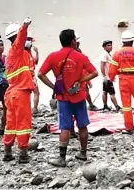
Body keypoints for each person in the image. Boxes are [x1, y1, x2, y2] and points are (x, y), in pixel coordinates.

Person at [38, 29, 98, 165]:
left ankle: (62, 158)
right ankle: (83, 153)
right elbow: (94, 72)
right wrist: (81, 80)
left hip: (63, 98)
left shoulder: (53, 56)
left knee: (65, 127)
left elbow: (40, 74)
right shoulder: (80, 56)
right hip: (79, 96)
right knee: (82, 126)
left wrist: (54, 87)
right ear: (73, 41)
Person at [2, 17, 35, 163]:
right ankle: (23, 153)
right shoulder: (16, 50)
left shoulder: (19, 55)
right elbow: (20, 40)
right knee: (23, 124)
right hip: (20, 93)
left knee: (11, 124)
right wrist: (24, 26)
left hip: (11, 93)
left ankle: (8, 151)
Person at [75, 32, 98, 111]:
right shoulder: (81, 57)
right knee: (85, 91)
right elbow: (93, 72)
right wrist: (87, 80)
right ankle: (90, 105)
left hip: (73, 80)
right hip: (80, 79)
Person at [99, 40, 121, 111]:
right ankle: (117, 106)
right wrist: (104, 76)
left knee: (105, 91)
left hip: (107, 77)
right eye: (108, 45)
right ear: (104, 47)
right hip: (107, 78)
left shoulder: (108, 54)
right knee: (112, 93)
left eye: (111, 45)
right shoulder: (104, 54)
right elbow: (102, 65)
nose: (110, 47)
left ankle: (105, 106)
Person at [25, 31, 40, 114]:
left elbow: (35, 62)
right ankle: (33, 108)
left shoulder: (29, 52)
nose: (31, 43)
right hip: (28, 76)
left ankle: (34, 108)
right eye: (30, 40)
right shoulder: (23, 53)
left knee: (36, 92)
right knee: (34, 93)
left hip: (31, 76)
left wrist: (37, 53)